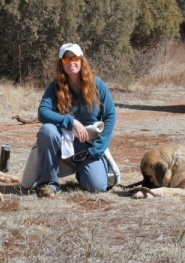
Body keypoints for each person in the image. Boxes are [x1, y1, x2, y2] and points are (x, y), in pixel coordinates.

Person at [21, 43, 117, 198]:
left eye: (75, 58)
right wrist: (71, 121)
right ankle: (49, 183)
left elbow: (110, 116)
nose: (71, 62)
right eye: (66, 59)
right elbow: (43, 113)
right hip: (63, 141)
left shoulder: (97, 84)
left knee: (97, 187)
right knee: (48, 130)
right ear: (61, 64)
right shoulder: (55, 86)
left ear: (82, 60)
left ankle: (84, 171)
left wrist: (97, 149)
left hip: (88, 145)